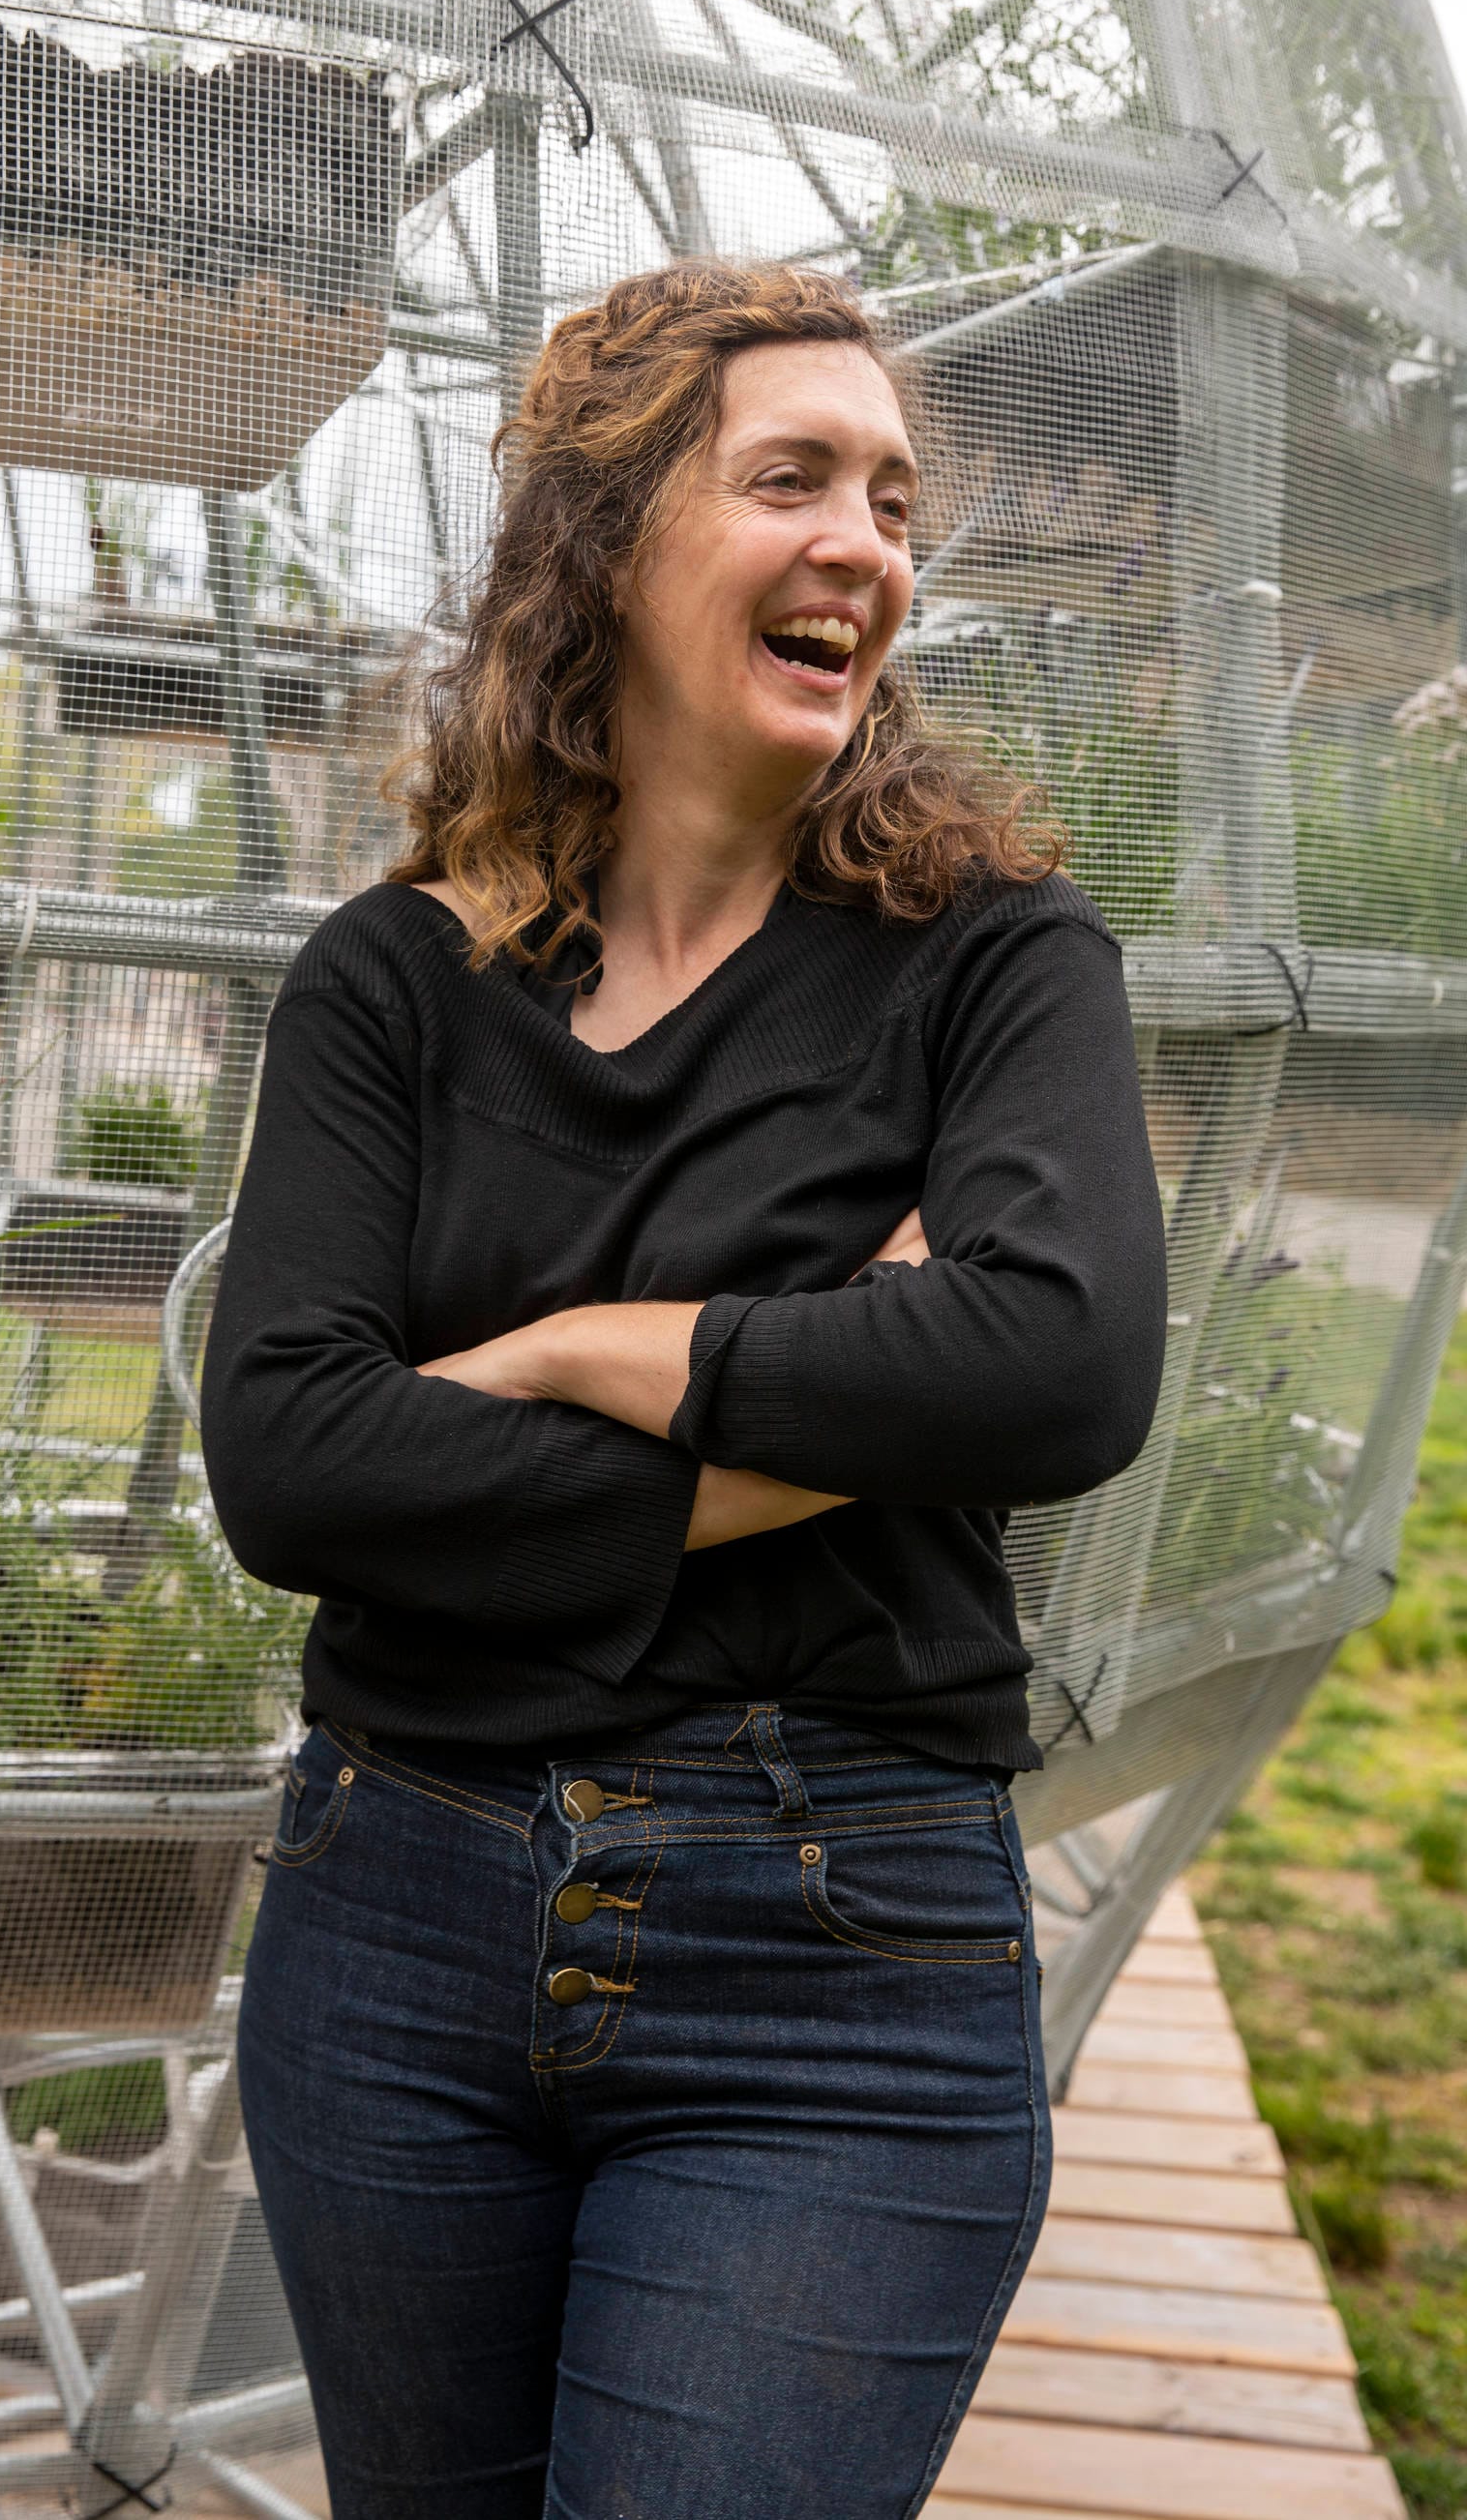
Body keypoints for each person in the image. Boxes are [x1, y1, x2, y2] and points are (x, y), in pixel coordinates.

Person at [200, 261, 1167, 2520]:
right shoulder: (390, 983)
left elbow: (1054, 1362)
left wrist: (569, 1353)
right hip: (394, 1923)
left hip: (836, 1955)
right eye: (791, 479)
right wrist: (829, 1410)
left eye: (893, 503)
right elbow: (296, 1460)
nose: (864, 545)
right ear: (605, 543)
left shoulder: (995, 960)